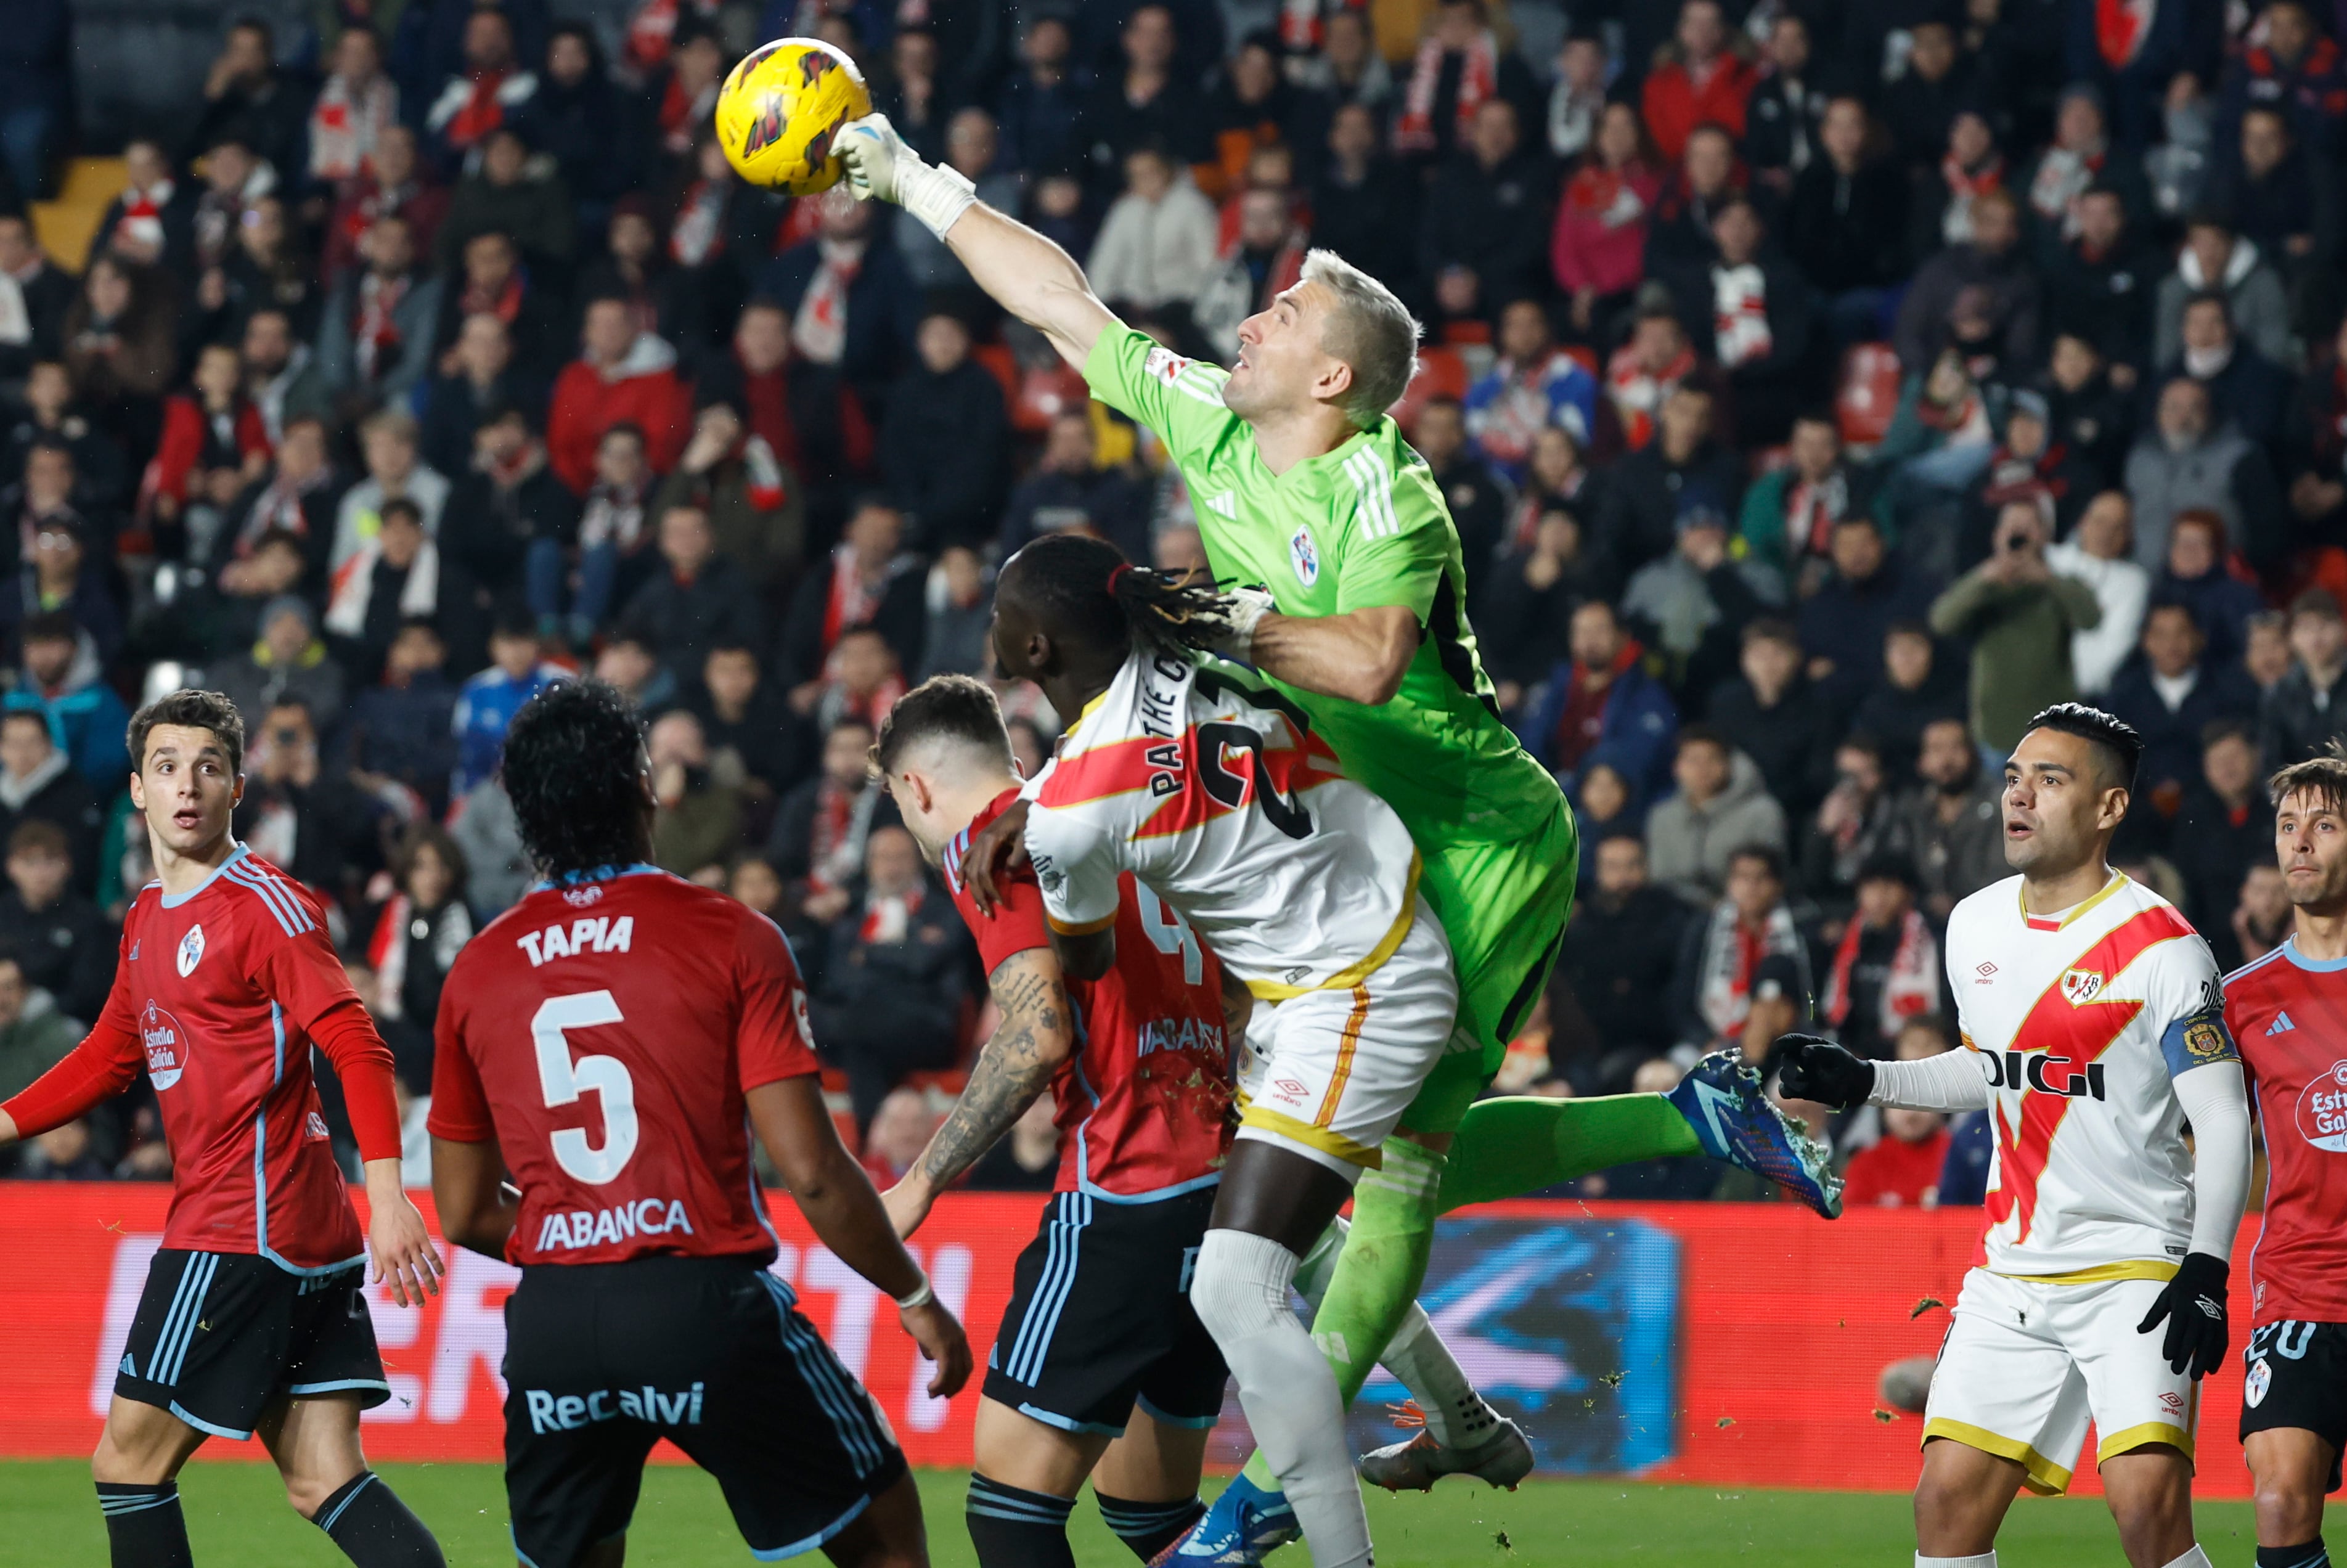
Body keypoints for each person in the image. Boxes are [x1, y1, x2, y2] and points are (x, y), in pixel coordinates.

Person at [839, 116, 1837, 1556]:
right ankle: (1685, 1123)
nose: (1247, 317)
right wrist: (918, 184)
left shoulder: (1384, 483)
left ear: (1331, 377)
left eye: (1283, 311)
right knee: (1352, 1172)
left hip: (1478, 841)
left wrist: (1231, 618)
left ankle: (1260, 1515)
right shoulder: (1213, 425)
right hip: (1352, 843)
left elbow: (1369, 664)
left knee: (1394, 1175)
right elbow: (1064, 304)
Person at [428, 679, 969, 1568]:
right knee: (885, 1540)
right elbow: (816, 1173)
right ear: (648, 787)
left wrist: (580, 1231)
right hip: (701, 1306)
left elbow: (461, 1212)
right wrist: (913, 1295)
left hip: (555, 1325)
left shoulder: (478, 971)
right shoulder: (733, 937)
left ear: (522, 812)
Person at [1779, 704, 2253, 1568]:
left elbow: (2224, 1115)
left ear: (2110, 809)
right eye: (2012, 778)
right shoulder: (1976, 923)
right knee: (1946, 1507)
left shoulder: (2165, 949)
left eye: (2050, 780)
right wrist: (1869, 1079)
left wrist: (2210, 1266)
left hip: (2135, 1265)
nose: (2019, 798)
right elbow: (1991, 1067)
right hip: (2015, 1270)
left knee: (2147, 1510)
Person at [0, 690, 446, 1568]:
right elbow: (107, 1057)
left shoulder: (262, 907)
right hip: (297, 1237)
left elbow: (358, 1045)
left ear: (238, 785)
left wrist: (389, 1195)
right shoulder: (143, 921)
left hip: (243, 1232)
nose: (188, 785)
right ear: (137, 790)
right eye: (167, 767)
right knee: (323, 1477)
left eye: (209, 767)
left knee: (127, 1464)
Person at [870, 673, 1243, 1566]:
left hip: (1125, 1195)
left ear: (914, 788)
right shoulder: (1102, 813)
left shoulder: (987, 845)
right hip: (1224, 1193)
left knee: (1009, 1512)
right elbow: (1231, 987)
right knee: (1150, 1514)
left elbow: (1036, 1037)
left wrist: (917, 1185)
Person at [2221, 751, 2347, 1568]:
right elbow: (2206, 1138)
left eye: (2326, 825)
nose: (2300, 843)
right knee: (2278, 1497)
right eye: (2288, 826)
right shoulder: (2240, 998)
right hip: (2302, 1285)